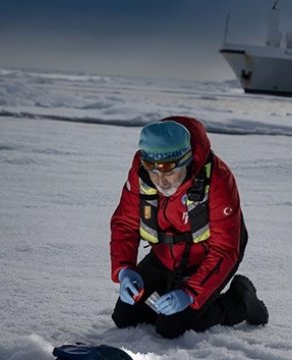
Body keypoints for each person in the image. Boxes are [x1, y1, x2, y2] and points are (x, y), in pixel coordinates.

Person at [109, 116, 268, 339]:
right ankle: (171, 293)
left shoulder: (218, 179)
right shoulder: (140, 173)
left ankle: (241, 300)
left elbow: (224, 250)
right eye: (154, 173)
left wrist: (190, 293)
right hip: (164, 255)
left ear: (187, 160)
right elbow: (125, 223)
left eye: (169, 172)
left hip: (211, 256)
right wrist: (124, 269)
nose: (161, 182)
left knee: (171, 327)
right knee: (125, 318)